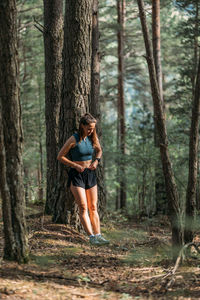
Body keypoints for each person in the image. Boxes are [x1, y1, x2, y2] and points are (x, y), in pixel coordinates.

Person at [57, 113, 109, 246]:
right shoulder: (73, 139)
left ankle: (98, 235)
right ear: (82, 126)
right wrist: (75, 165)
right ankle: (91, 237)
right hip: (76, 175)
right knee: (83, 207)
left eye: (93, 128)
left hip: (90, 174)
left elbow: (99, 151)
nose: (91, 131)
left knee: (93, 206)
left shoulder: (92, 138)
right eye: (89, 128)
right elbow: (60, 156)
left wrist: (96, 161)